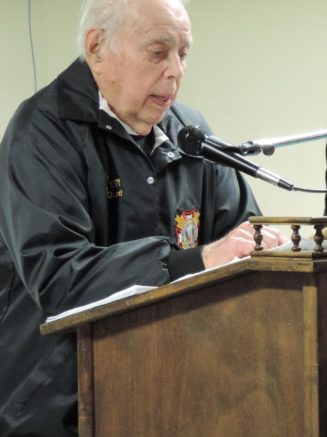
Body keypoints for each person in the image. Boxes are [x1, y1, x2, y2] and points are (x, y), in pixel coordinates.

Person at [0, 0, 286, 435]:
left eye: (183, 53)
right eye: (158, 52)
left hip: (174, 395)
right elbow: (59, 276)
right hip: (59, 405)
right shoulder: (41, 131)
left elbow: (244, 239)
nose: (175, 71)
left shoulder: (191, 134)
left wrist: (271, 247)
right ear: (97, 47)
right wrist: (193, 261)